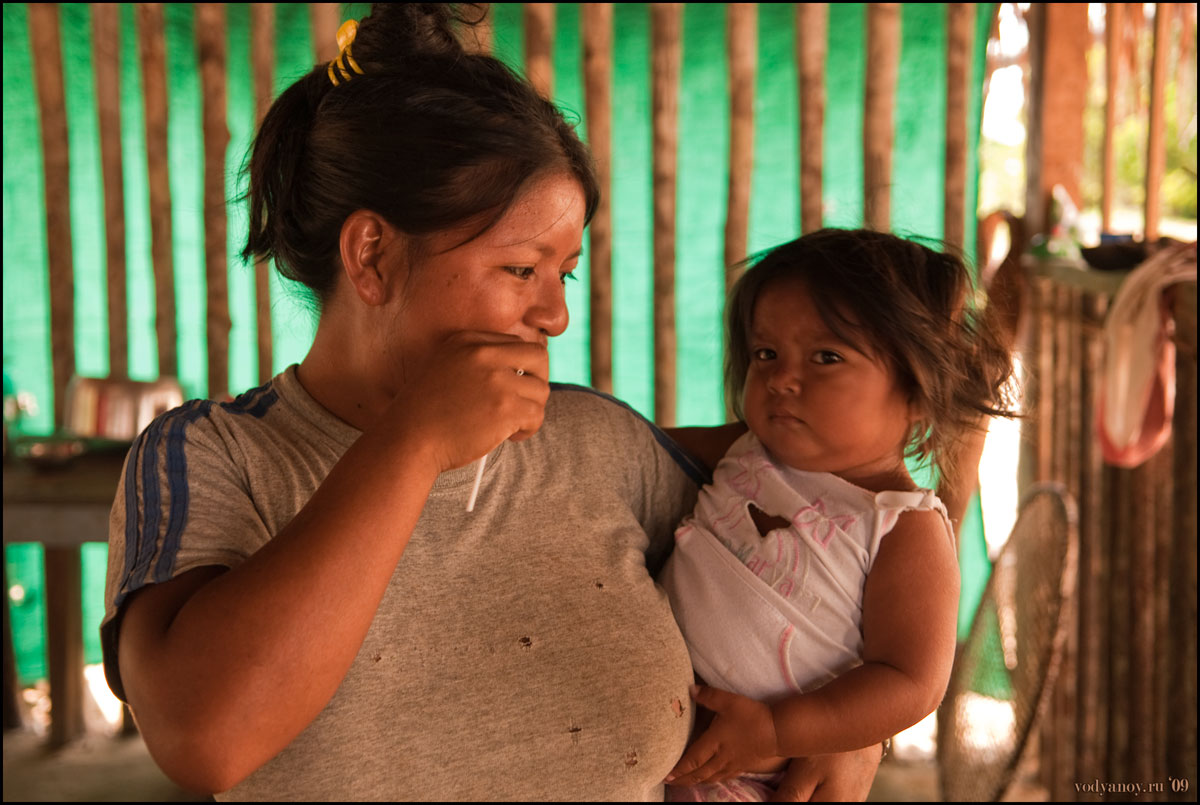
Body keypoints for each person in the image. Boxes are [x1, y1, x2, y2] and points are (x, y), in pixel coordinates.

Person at [98, 4, 881, 800]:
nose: (555, 315)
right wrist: (412, 446)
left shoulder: (595, 447)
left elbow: (866, 488)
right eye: (521, 270)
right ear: (372, 255)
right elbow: (204, 738)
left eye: (563, 273)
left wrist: (851, 721)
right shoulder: (212, 458)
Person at [659, 229, 1016, 800]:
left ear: (920, 391)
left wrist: (778, 730)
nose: (780, 378)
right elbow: (634, 443)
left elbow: (911, 682)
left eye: (826, 357)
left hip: (757, 776)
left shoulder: (903, 526)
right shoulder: (743, 447)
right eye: (765, 353)